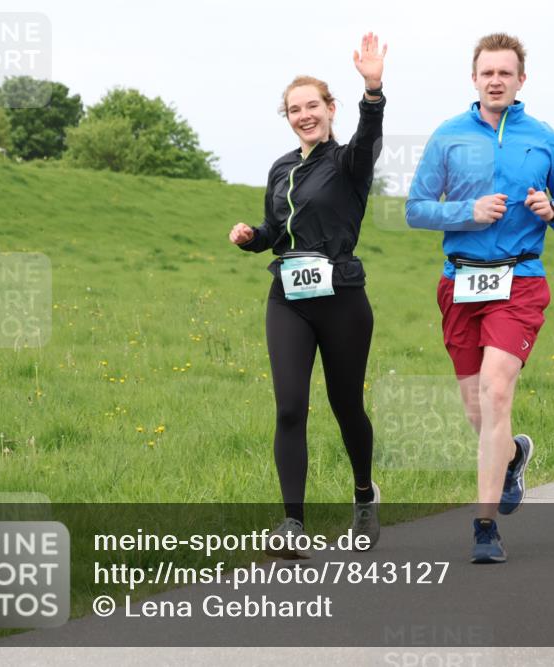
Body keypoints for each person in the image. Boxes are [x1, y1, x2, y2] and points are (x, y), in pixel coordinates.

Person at [405, 33, 554, 563]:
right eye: (487, 72)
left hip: (520, 281)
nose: (495, 80)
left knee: (496, 391)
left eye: (505, 73)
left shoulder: (543, 138)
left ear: (520, 80)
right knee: (474, 407)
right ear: (474, 78)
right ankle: (513, 457)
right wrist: (466, 212)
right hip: (460, 283)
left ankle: (484, 527)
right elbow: (416, 209)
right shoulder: (448, 136)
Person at [229, 33, 387, 557]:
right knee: (291, 406)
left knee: (345, 405)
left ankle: (364, 496)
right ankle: (292, 524)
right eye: (294, 109)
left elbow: (369, 138)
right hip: (288, 298)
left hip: (341, 297)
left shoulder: (348, 162)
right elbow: (277, 230)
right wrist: (253, 237)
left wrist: (372, 88)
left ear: (329, 109)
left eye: (312, 106)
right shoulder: (280, 168)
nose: (303, 115)